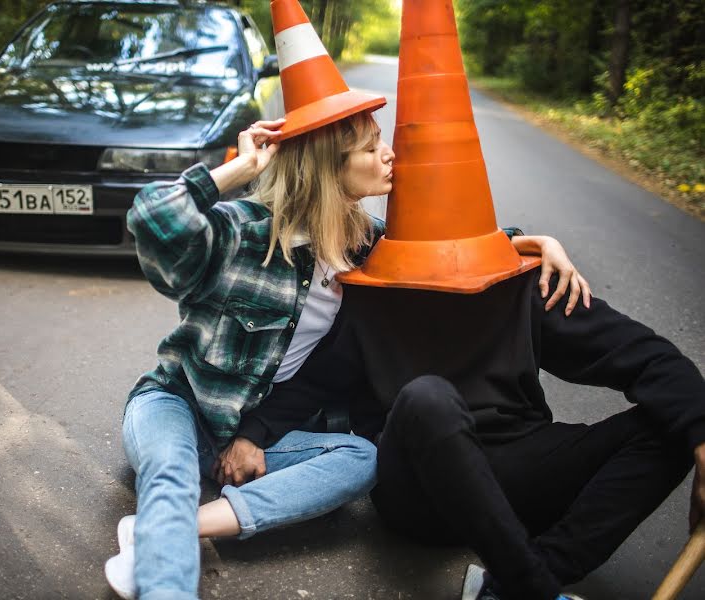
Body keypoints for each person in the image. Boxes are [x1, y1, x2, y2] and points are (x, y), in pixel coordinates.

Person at [107, 106, 589, 599]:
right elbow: (153, 217)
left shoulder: (364, 244)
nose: (388, 154)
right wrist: (244, 168)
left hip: (266, 433)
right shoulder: (241, 234)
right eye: (369, 147)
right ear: (327, 167)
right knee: (170, 471)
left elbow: (449, 255)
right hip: (178, 406)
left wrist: (537, 243)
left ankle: (170, 528)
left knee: (360, 457)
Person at [238, 263, 705, 600]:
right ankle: (535, 589)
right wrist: (251, 433)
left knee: (674, 420)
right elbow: (311, 385)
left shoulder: (523, 283)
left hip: (520, 478)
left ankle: (521, 581)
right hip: (420, 496)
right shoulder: (371, 299)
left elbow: (652, 360)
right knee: (428, 397)